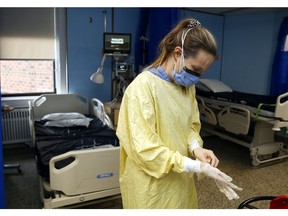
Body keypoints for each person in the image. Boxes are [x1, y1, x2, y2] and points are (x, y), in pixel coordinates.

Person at [116, 18, 242, 209]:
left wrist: (195, 148)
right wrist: (195, 166)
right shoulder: (142, 88)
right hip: (150, 186)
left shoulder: (186, 87)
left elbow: (190, 125)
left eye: (201, 72)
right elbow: (145, 150)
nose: (196, 78)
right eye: (195, 70)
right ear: (177, 53)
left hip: (180, 180)